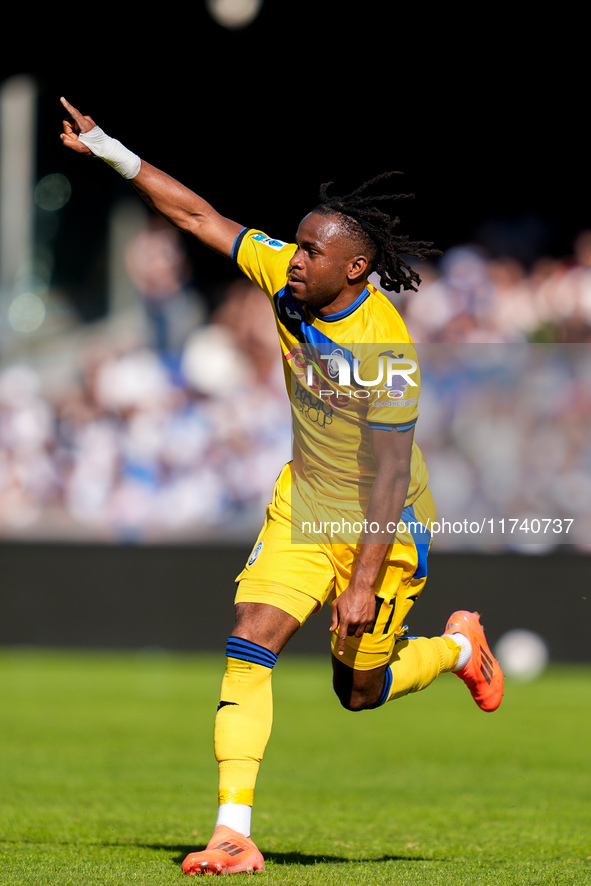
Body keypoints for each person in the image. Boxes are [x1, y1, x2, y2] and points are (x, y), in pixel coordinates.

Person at [60, 98, 504, 876]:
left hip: (384, 529)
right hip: (303, 504)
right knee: (252, 633)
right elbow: (197, 216)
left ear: (354, 269)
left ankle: (458, 648)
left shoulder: (384, 351)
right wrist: (109, 149)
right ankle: (232, 831)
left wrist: (362, 582)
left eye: (308, 251)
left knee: (358, 692)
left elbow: (389, 477)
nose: (291, 258)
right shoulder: (283, 275)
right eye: (293, 246)